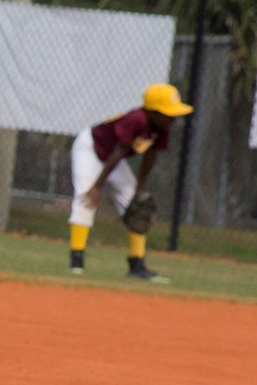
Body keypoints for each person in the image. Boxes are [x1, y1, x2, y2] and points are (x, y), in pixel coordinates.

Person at [67, 83, 194, 283]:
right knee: (86, 196)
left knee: (137, 206)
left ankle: (137, 265)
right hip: (91, 148)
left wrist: (138, 188)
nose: (173, 117)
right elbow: (118, 152)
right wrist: (97, 187)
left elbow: (150, 156)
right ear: (152, 111)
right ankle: (76, 262)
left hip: (113, 158)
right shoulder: (136, 119)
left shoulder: (162, 126)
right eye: (168, 112)